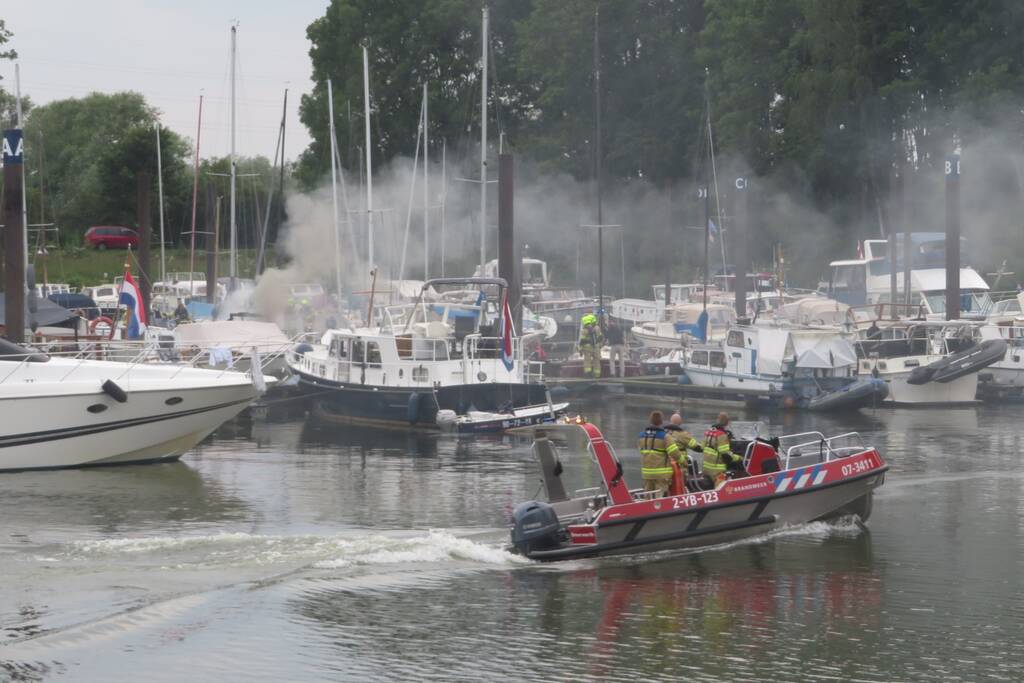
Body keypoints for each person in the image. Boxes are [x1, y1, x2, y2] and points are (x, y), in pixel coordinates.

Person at [638, 411, 681, 497]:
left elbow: (641, 451)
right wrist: (683, 461)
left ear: (650, 421)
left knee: (648, 496)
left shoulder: (642, 436)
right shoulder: (665, 436)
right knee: (659, 497)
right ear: (661, 422)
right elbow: (675, 453)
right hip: (661, 474)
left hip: (647, 473)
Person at [702, 412, 743, 487]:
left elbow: (702, 448)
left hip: (706, 469)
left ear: (717, 420)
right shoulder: (722, 435)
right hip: (717, 472)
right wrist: (739, 458)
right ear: (728, 423)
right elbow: (726, 455)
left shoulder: (708, 432)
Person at [578, 313, 604, 378]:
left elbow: (582, 340)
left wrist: (580, 349)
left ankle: (588, 374)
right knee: (597, 361)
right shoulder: (597, 328)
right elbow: (601, 337)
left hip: (587, 347)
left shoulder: (585, 330)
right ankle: (597, 375)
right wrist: (600, 345)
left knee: (587, 361)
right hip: (596, 347)